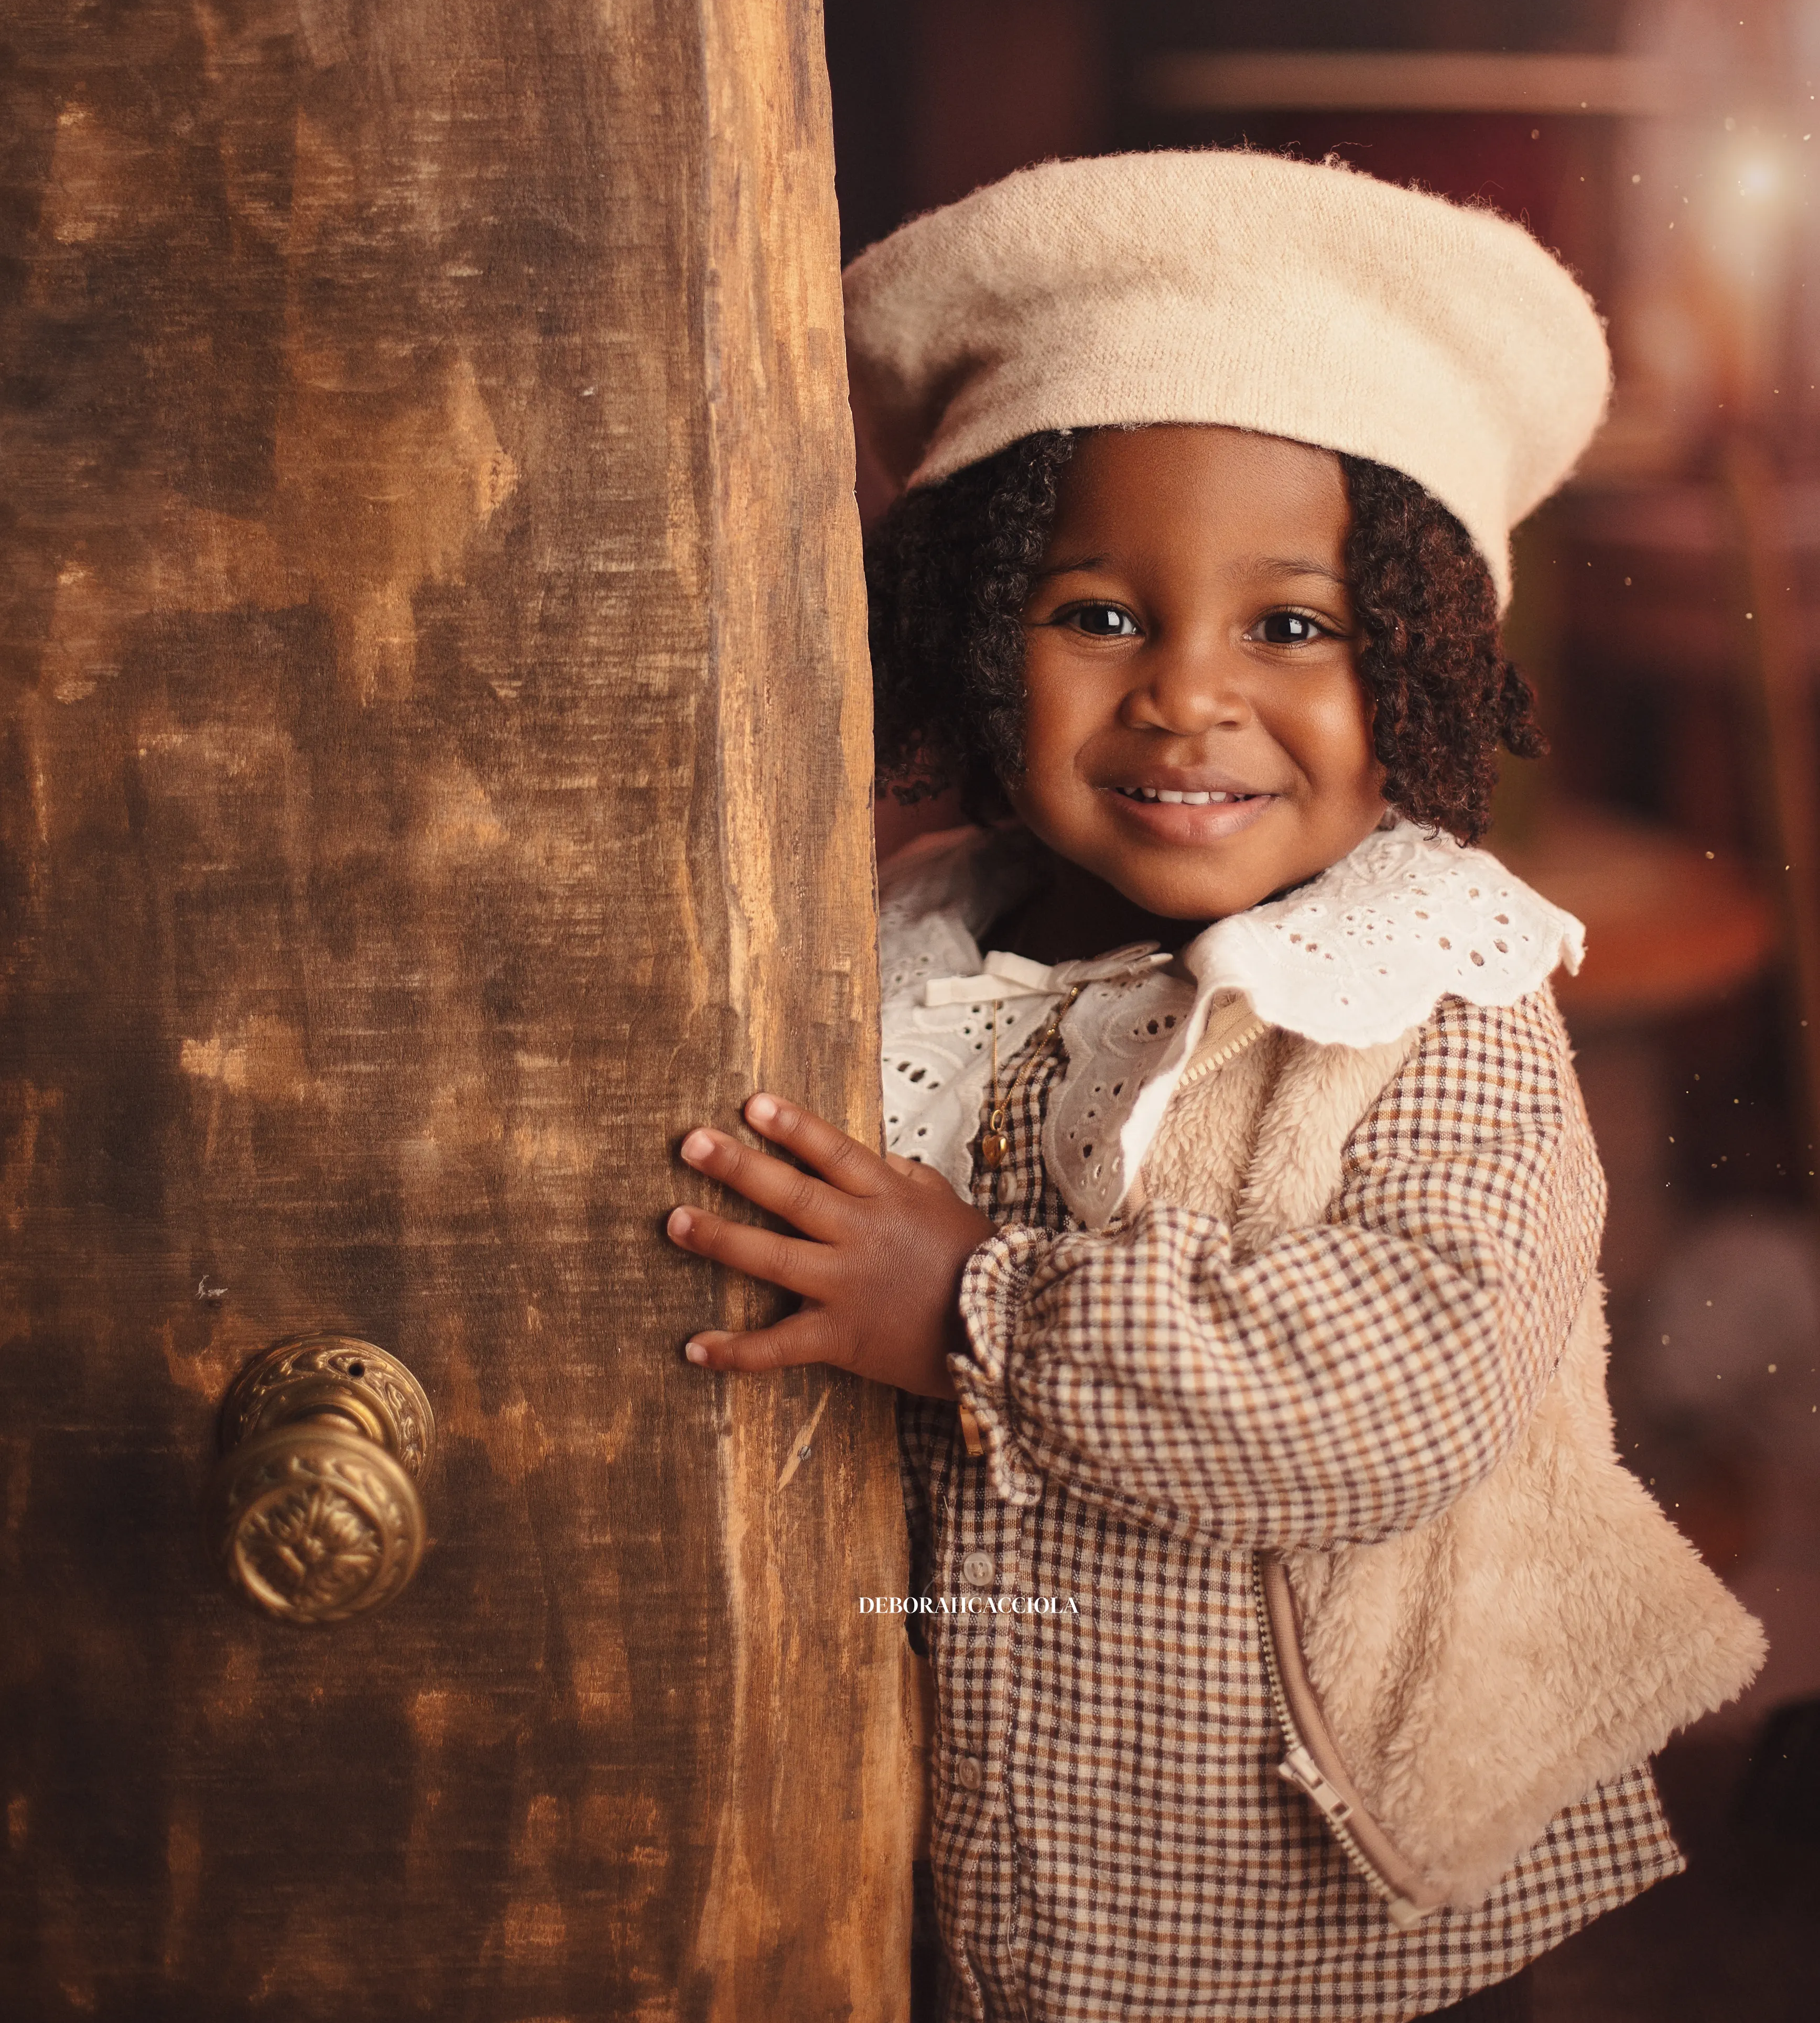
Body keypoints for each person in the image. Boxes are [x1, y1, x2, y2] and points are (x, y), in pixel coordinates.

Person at [664, 151, 1764, 2022]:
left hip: (1288, 1881)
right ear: (976, 630)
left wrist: (966, 1304)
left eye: (1293, 625)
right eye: (1098, 615)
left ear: (1415, 664)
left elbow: (1406, 1386)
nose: (1187, 695)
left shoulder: (1438, 994)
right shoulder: (905, 949)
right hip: (949, 1842)